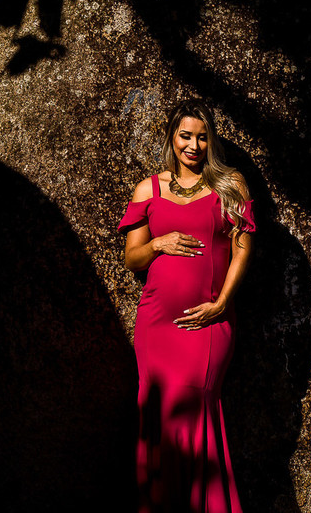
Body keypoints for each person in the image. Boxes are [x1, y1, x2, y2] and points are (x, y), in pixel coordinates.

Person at [118, 98, 255, 513]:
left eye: (201, 137)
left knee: (197, 409)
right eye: (185, 136)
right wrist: (157, 243)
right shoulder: (149, 189)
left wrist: (223, 304)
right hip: (156, 326)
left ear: (210, 141)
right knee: (159, 417)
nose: (193, 145)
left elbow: (242, 249)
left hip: (207, 324)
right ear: (172, 138)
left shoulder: (230, 185)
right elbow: (132, 259)